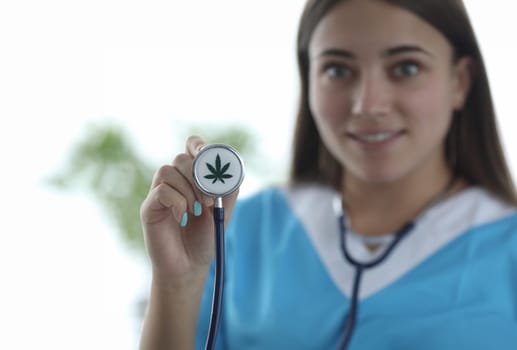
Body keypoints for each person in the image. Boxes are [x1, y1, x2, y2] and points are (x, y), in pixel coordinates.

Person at [139, 0, 517, 349]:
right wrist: (177, 284)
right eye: (337, 70)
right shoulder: (243, 228)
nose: (368, 104)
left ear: (461, 81)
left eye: (406, 67)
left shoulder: (507, 246)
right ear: (309, 82)